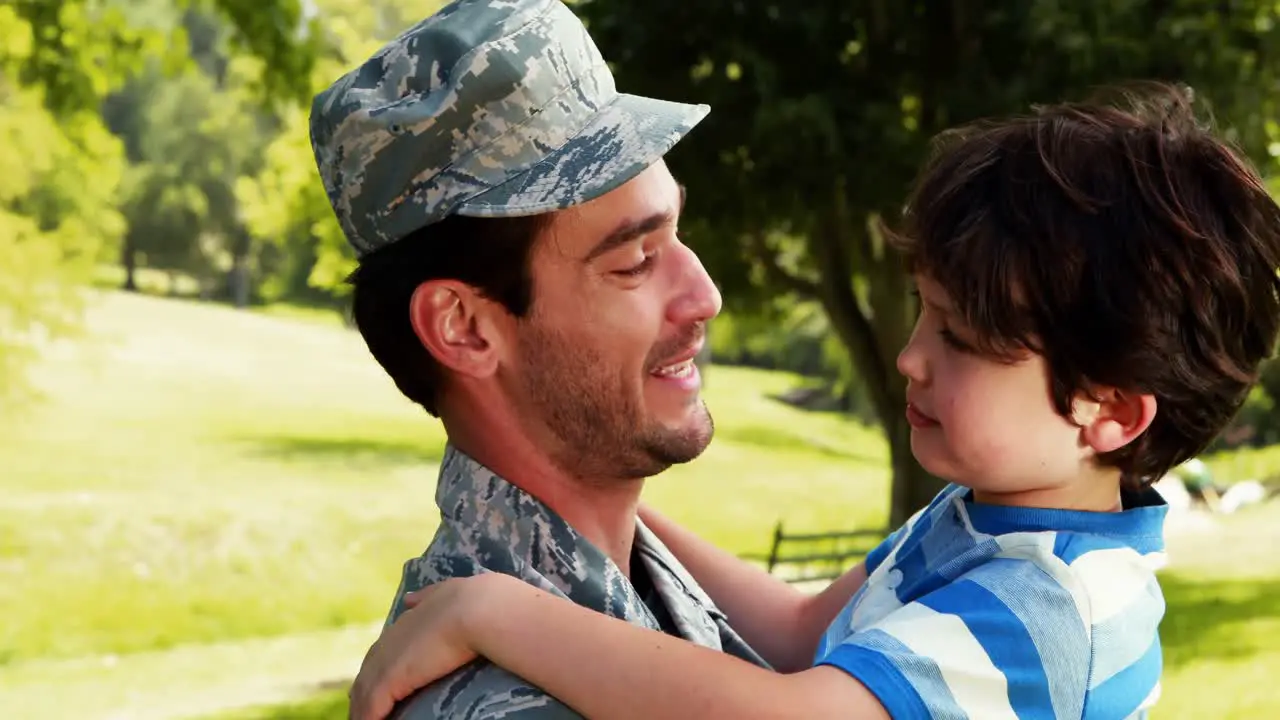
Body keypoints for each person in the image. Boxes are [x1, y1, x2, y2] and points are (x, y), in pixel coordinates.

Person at [347, 83, 1280, 720]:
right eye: (924, 313)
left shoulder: (1049, 605)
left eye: (961, 340)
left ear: (1111, 413)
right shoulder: (989, 522)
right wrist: (603, 513)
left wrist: (496, 613)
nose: (910, 358)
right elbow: (802, 633)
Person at [307, 0, 775, 717]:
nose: (704, 295)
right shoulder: (510, 701)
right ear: (463, 328)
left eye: (678, 234)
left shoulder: (627, 579)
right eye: (635, 262)